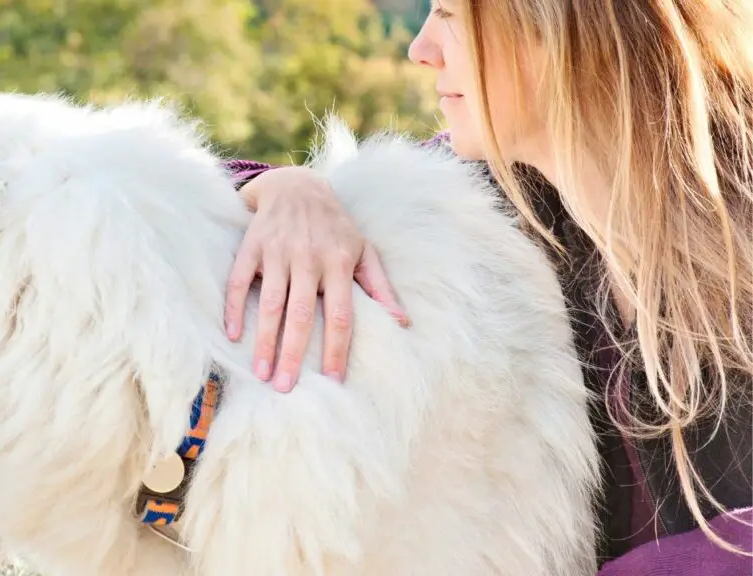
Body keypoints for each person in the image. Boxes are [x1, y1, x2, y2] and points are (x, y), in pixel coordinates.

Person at [220, 1, 753, 574]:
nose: (420, 49)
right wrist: (287, 190)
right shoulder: (499, 201)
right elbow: (157, 226)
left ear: (556, 28)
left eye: (449, 15)